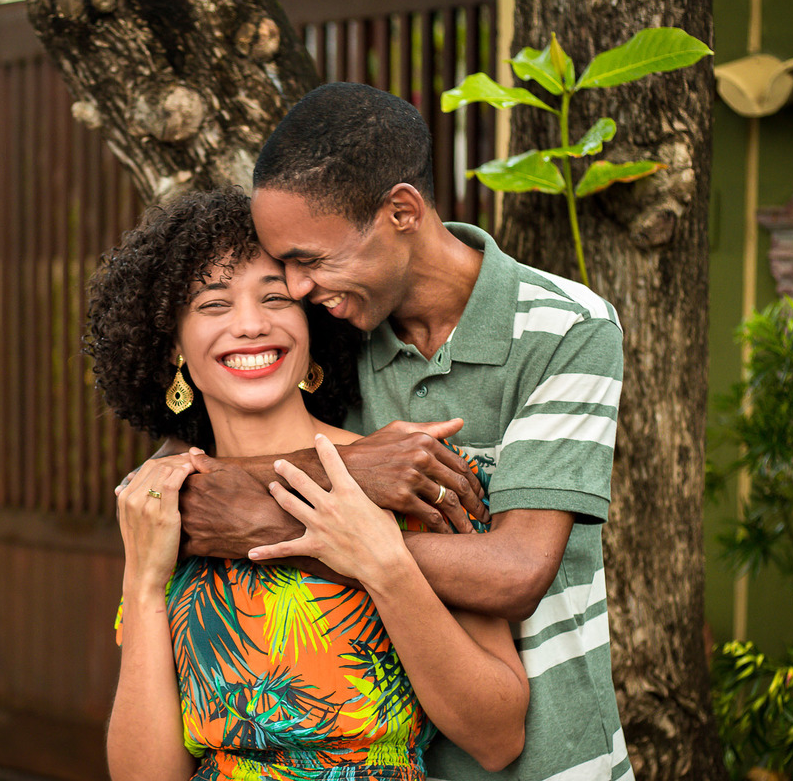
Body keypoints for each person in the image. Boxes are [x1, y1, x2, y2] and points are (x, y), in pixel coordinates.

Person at [176, 83, 631, 781]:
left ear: (401, 212)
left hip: (551, 758)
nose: (294, 289)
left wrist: (283, 529)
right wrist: (353, 472)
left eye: (310, 259)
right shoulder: (338, 333)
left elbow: (514, 572)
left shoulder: (567, 329)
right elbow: (192, 485)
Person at [85, 187, 529, 781]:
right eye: (213, 305)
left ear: (313, 327)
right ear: (173, 348)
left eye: (275, 298)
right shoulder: (163, 504)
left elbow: (499, 738)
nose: (250, 325)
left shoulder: (410, 476)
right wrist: (143, 587)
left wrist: (383, 564)